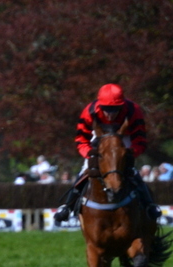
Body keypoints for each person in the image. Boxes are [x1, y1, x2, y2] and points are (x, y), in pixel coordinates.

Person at [55, 83, 160, 222]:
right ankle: (67, 207)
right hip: (99, 136)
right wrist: (90, 154)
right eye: (106, 109)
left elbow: (139, 139)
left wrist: (129, 154)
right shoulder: (90, 111)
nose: (110, 114)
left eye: (115, 109)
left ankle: (149, 205)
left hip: (124, 136)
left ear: (122, 105)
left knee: (131, 169)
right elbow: (81, 139)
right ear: (100, 105)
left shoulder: (133, 110)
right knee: (86, 168)